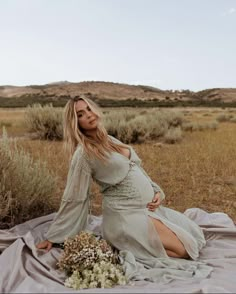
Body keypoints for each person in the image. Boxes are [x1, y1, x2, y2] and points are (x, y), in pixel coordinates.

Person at [36, 96, 207, 276]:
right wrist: (55, 236)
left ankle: (134, 244)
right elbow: (75, 197)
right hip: (124, 215)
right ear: (74, 122)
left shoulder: (110, 139)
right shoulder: (84, 154)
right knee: (184, 250)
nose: (88, 115)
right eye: (80, 114)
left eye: (88, 109)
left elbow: (136, 168)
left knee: (194, 234)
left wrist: (155, 190)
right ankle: (127, 244)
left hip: (145, 209)